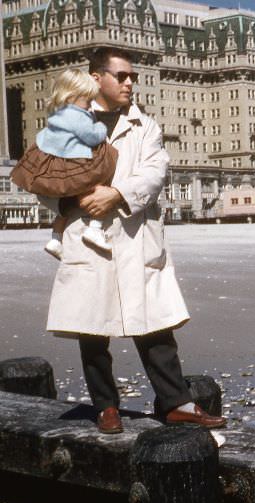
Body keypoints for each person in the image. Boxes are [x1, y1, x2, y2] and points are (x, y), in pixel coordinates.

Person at [38, 47, 225, 433]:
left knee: (155, 326)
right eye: (121, 76)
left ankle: (176, 403)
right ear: (95, 78)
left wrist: (117, 194)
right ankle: (106, 407)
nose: (129, 83)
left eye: (132, 77)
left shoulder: (146, 126)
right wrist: (72, 197)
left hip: (135, 234)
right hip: (89, 236)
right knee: (92, 327)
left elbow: (155, 172)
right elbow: (42, 176)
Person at [10, 68, 117, 258]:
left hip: (57, 164)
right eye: (87, 99)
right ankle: (95, 227)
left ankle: (55, 239)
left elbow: (45, 138)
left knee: (65, 208)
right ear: (72, 96)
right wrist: (101, 127)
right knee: (101, 182)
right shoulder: (77, 115)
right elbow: (91, 137)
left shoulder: (57, 114)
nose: (89, 104)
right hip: (77, 165)